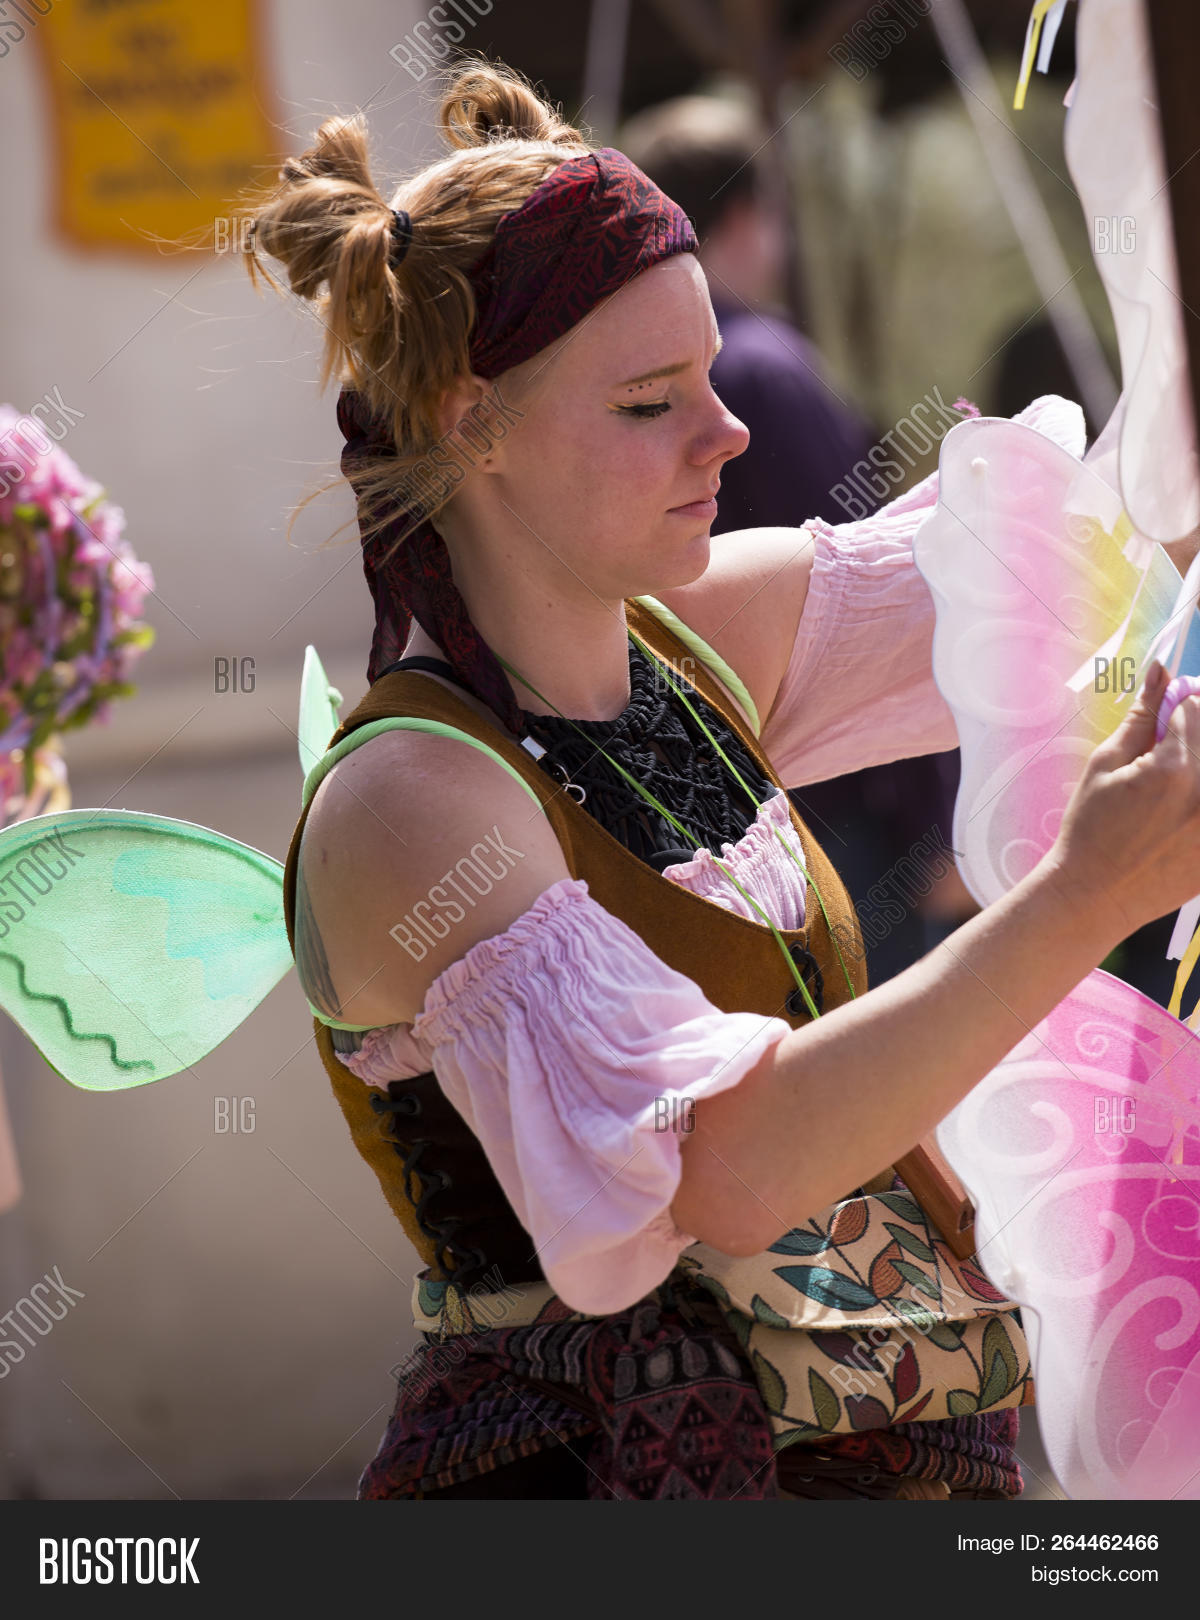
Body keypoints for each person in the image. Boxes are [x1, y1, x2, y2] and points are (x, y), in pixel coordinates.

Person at [244, 61, 1200, 1500]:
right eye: (649, 402)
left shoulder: (698, 645)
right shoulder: (415, 807)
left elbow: (1096, 578)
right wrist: (1085, 895)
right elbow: (729, 1169)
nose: (729, 433)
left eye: (710, 373)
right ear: (470, 420)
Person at [620, 95, 976, 982]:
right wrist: (936, 822)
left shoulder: (640, 392)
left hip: (727, 804)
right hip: (847, 810)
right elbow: (862, 588)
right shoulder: (768, 373)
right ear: (745, 218)